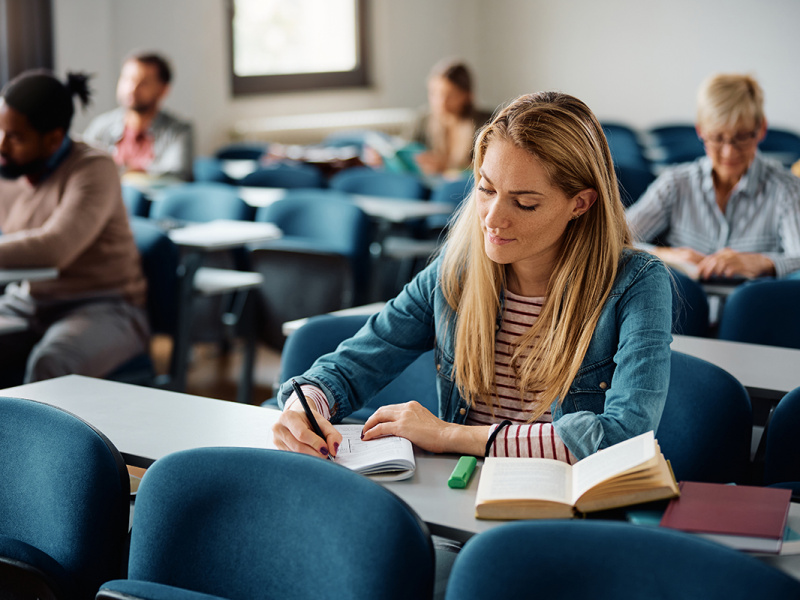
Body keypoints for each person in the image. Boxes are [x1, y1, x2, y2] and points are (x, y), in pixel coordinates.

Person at [272, 91, 673, 465]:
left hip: (568, 519)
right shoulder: (457, 272)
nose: (493, 219)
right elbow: (347, 367)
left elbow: (624, 436)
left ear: (580, 204)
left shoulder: (637, 284)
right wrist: (303, 408)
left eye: (525, 203)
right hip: (462, 505)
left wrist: (450, 435)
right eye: (485, 188)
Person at [0, 69, 149, 386]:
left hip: (104, 306)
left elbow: (54, 247)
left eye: (15, 137)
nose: (2, 144)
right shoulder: (9, 167)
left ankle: (34, 438)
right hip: (30, 301)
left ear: (53, 138)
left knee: (51, 362)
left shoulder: (94, 167)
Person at [627, 73, 800, 279]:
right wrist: (667, 255)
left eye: (742, 137)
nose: (729, 152)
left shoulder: (787, 189)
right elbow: (612, 239)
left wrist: (764, 263)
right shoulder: (675, 184)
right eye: (717, 138)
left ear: (761, 129)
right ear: (700, 131)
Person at [83, 51, 193, 181]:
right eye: (127, 79)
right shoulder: (101, 125)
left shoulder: (178, 130)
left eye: (144, 83)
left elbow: (176, 174)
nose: (132, 88)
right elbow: (81, 164)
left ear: (163, 90)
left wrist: (121, 172)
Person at [411, 60, 489, 177]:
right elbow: (405, 152)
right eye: (434, 94)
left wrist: (447, 167)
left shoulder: (486, 123)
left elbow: (490, 168)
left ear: (467, 95)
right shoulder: (423, 120)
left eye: (450, 95)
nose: (441, 102)